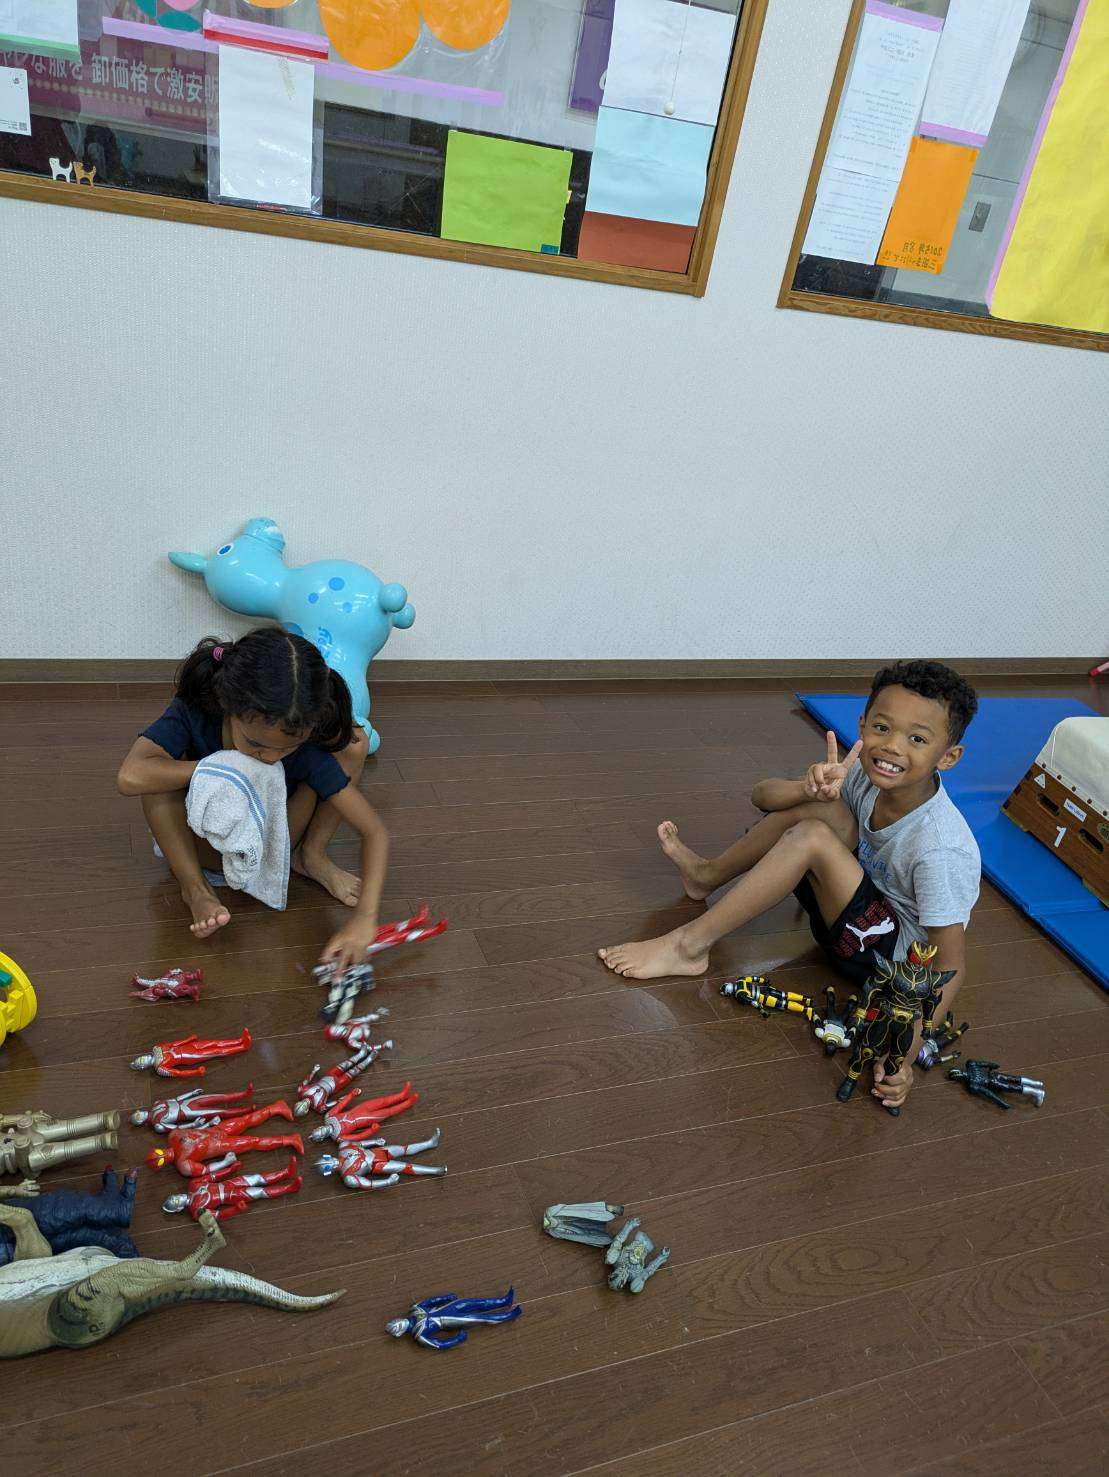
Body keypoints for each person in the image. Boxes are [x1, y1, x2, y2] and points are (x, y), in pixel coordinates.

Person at [599, 660, 981, 1113]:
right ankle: (705, 876)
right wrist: (807, 788)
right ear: (862, 724)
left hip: (884, 968)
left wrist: (905, 1051)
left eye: (917, 739)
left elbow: (950, 966)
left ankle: (689, 946)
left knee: (814, 836)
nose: (893, 747)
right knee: (824, 813)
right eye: (882, 727)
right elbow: (761, 796)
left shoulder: (942, 848)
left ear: (948, 757)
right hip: (851, 918)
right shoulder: (864, 771)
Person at [117, 628, 388, 966]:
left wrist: (365, 919)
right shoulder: (196, 710)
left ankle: (311, 856)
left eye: (287, 747)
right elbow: (129, 776)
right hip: (206, 847)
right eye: (256, 744)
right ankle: (195, 889)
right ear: (227, 705)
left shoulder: (303, 744)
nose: (271, 758)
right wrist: (220, 769)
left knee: (351, 742)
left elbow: (374, 831)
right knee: (156, 779)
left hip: (272, 845)